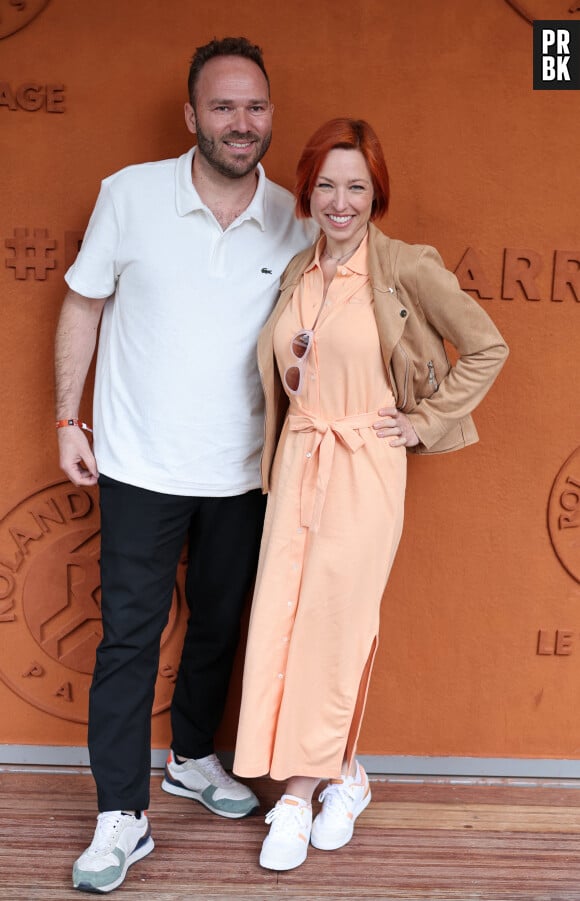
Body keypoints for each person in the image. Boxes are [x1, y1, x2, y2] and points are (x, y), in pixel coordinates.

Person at [54, 36, 316, 894]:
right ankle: (120, 815)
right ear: (191, 116)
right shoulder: (128, 195)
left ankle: (194, 756)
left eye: (256, 107)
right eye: (224, 106)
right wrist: (68, 417)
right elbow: (84, 303)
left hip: (243, 471)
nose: (242, 123)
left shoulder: (297, 216)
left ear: (270, 115)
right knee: (129, 638)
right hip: (138, 463)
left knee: (220, 623)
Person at [233, 118, 509, 871]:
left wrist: (423, 420)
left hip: (363, 464)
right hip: (298, 461)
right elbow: (295, 361)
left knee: (335, 621)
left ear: (376, 192)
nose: (340, 200)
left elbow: (488, 346)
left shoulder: (404, 266)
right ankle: (345, 775)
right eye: (326, 183)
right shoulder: (301, 270)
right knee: (284, 619)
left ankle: (294, 794)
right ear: (307, 190)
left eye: (356, 185)